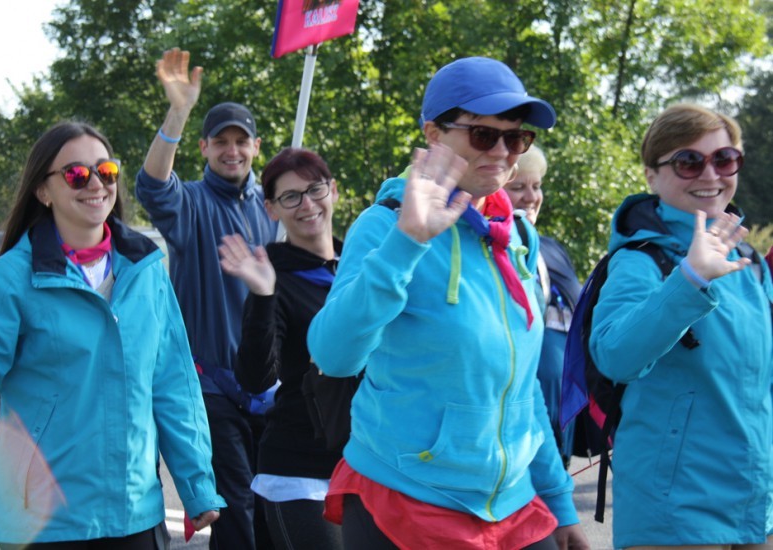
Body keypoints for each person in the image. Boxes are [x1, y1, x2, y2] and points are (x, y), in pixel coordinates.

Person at [307, 56, 589, 549]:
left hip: (513, 505)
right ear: (433, 134)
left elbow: (521, 390)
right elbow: (333, 356)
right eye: (483, 135)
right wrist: (408, 242)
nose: (501, 151)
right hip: (406, 499)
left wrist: (559, 502)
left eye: (516, 138)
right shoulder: (384, 225)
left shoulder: (517, 236)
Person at [0, 121, 223, 548]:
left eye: (106, 171)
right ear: (44, 191)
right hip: (44, 525)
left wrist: (197, 484)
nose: (96, 183)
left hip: (137, 514)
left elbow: (173, 386)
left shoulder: (147, 270)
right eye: (76, 174)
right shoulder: (9, 278)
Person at [589, 103, 773, 548]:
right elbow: (614, 355)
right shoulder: (640, 259)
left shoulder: (749, 263)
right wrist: (689, 280)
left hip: (756, 504)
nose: (710, 175)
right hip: (673, 510)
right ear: (652, 176)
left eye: (724, 159)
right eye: (689, 162)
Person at [135, 48, 278, 550]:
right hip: (209, 388)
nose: (231, 151)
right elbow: (153, 186)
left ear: (256, 147)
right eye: (221, 141)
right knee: (237, 509)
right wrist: (178, 112)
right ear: (203, 147)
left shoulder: (275, 207)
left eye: (241, 141)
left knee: (271, 510)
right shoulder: (191, 202)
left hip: (268, 386)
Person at [219, 147, 344, 550]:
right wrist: (263, 294)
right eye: (291, 196)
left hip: (366, 466)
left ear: (333, 191)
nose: (307, 204)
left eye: (315, 189)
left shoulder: (360, 268)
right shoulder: (273, 276)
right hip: (300, 472)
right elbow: (257, 379)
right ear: (271, 209)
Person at [505, 144, 581, 468]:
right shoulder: (491, 250)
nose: (531, 197)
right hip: (520, 423)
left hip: (563, 414)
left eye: (536, 186)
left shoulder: (552, 249)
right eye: (518, 187)